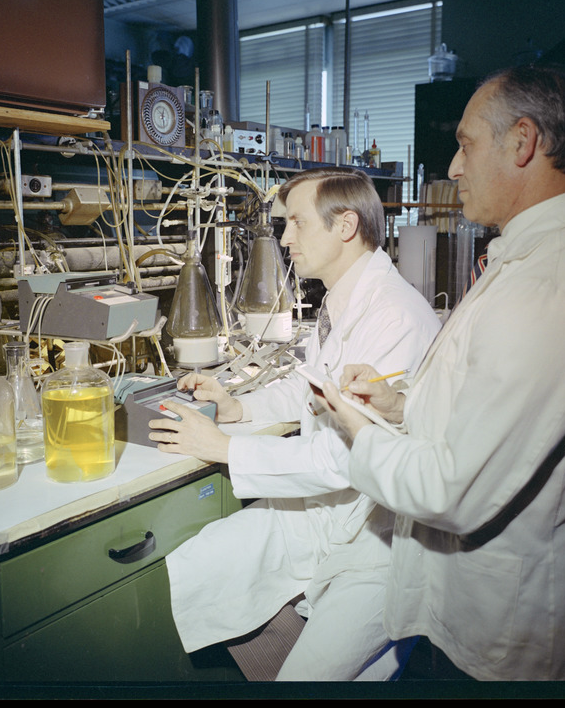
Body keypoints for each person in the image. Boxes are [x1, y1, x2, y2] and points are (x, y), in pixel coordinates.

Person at [318, 64, 565, 682]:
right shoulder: (534, 254)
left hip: (513, 636)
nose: (454, 167)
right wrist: (398, 403)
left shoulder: (552, 290)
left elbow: (453, 490)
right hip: (490, 606)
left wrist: (355, 430)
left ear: (523, 142)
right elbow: (490, 399)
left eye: (466, 144)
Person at [148, 168, 442, 681]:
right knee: (199, 565)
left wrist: (223, 447)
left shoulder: (396, 318)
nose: (284, 239)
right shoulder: (343, 299)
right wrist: (239, 408)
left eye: (298, 224)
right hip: (330, 515)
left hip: (378, 544)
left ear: (345, 225)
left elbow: (345, 458)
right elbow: (308, 390)